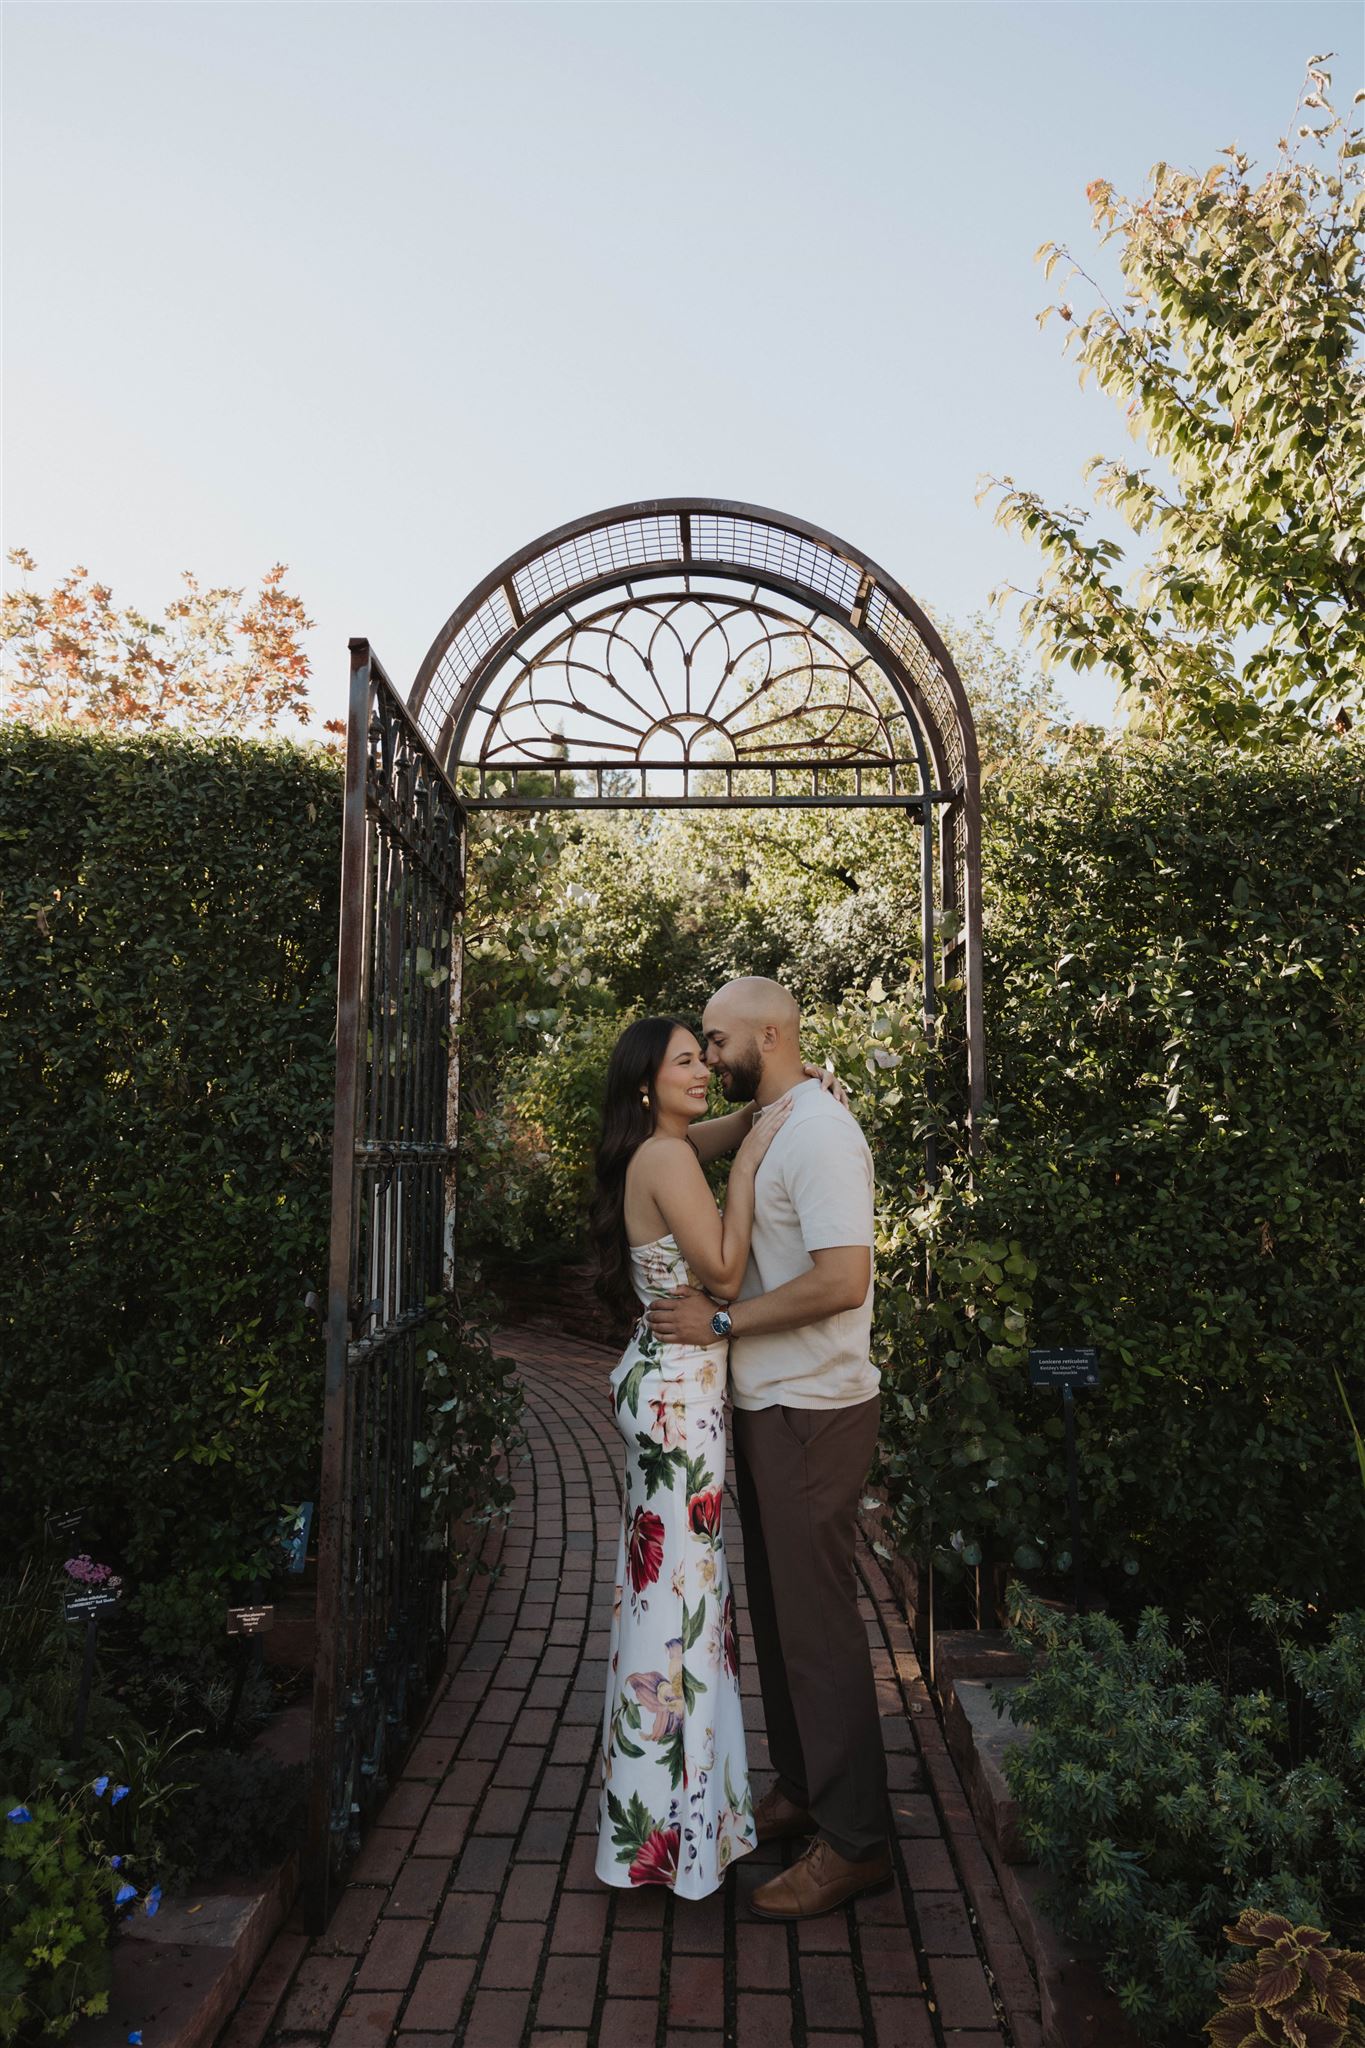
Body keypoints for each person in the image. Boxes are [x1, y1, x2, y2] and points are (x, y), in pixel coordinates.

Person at [647, 976, 891, 1920]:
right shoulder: (777, 1118)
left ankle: (858, 1841)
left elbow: (842, 1280)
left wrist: (722, 1321)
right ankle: (801, 1788)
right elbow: (680, 1146)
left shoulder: (821, 1135)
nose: (708, 1058)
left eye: (714, 1041)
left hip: (811, 1412)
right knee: (784, 1618)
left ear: (770, 1034)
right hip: (769, 1405)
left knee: (818, 1630)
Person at [589, 1015, 839, 1899]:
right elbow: (727, 1278)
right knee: (685, 1605)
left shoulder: (662, 1145)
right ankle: (679, 1832)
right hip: (679, 1405)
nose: (704, 1070)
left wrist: (777, 1111)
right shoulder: (667, 1161)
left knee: (670, 1597)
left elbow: (727, 1127)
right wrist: (749, 1176)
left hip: (666, 1392)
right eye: (685, 1062)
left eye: (706, 1055)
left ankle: (672, 1817)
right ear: (646, 1083)